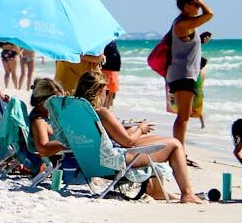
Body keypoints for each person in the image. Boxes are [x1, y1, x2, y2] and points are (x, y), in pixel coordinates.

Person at [74, 70, 203, 204]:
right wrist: (141, 129)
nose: (106, 95)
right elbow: (128, 142)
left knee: (156, 139)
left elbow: (108, 137)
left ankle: (156, 190)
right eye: (105, 91)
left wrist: (127, 129)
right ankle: (187, 193)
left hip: (91, 160)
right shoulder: (101, 112)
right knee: (175, 144)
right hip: (113, 160)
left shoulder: (78, 112)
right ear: (98, 91)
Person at [166, 0, 213, 149]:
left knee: (184, 116)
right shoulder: (182, 23)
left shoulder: (185, 23)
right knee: (183, 117)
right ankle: (179, 150)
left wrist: (199, 40)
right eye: (196, 5)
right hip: (183, 74)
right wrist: (202, 1)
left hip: (184, 73)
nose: (199, 7)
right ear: (186, 6)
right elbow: (210, 15)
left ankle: (179, 149)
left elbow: (183, 46)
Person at [28, 78, 67, 158]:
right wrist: (70, 140)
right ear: (42, 100)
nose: (59, 104)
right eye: (56, 101)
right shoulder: (39, 121)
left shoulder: (47, 116)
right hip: (59, 161)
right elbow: (43, 149)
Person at [101, 40, 121, 109]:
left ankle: (106, 109)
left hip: (110, 55)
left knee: (109, 85)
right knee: (107, 85)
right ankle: (106, 109)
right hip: (110, 53)